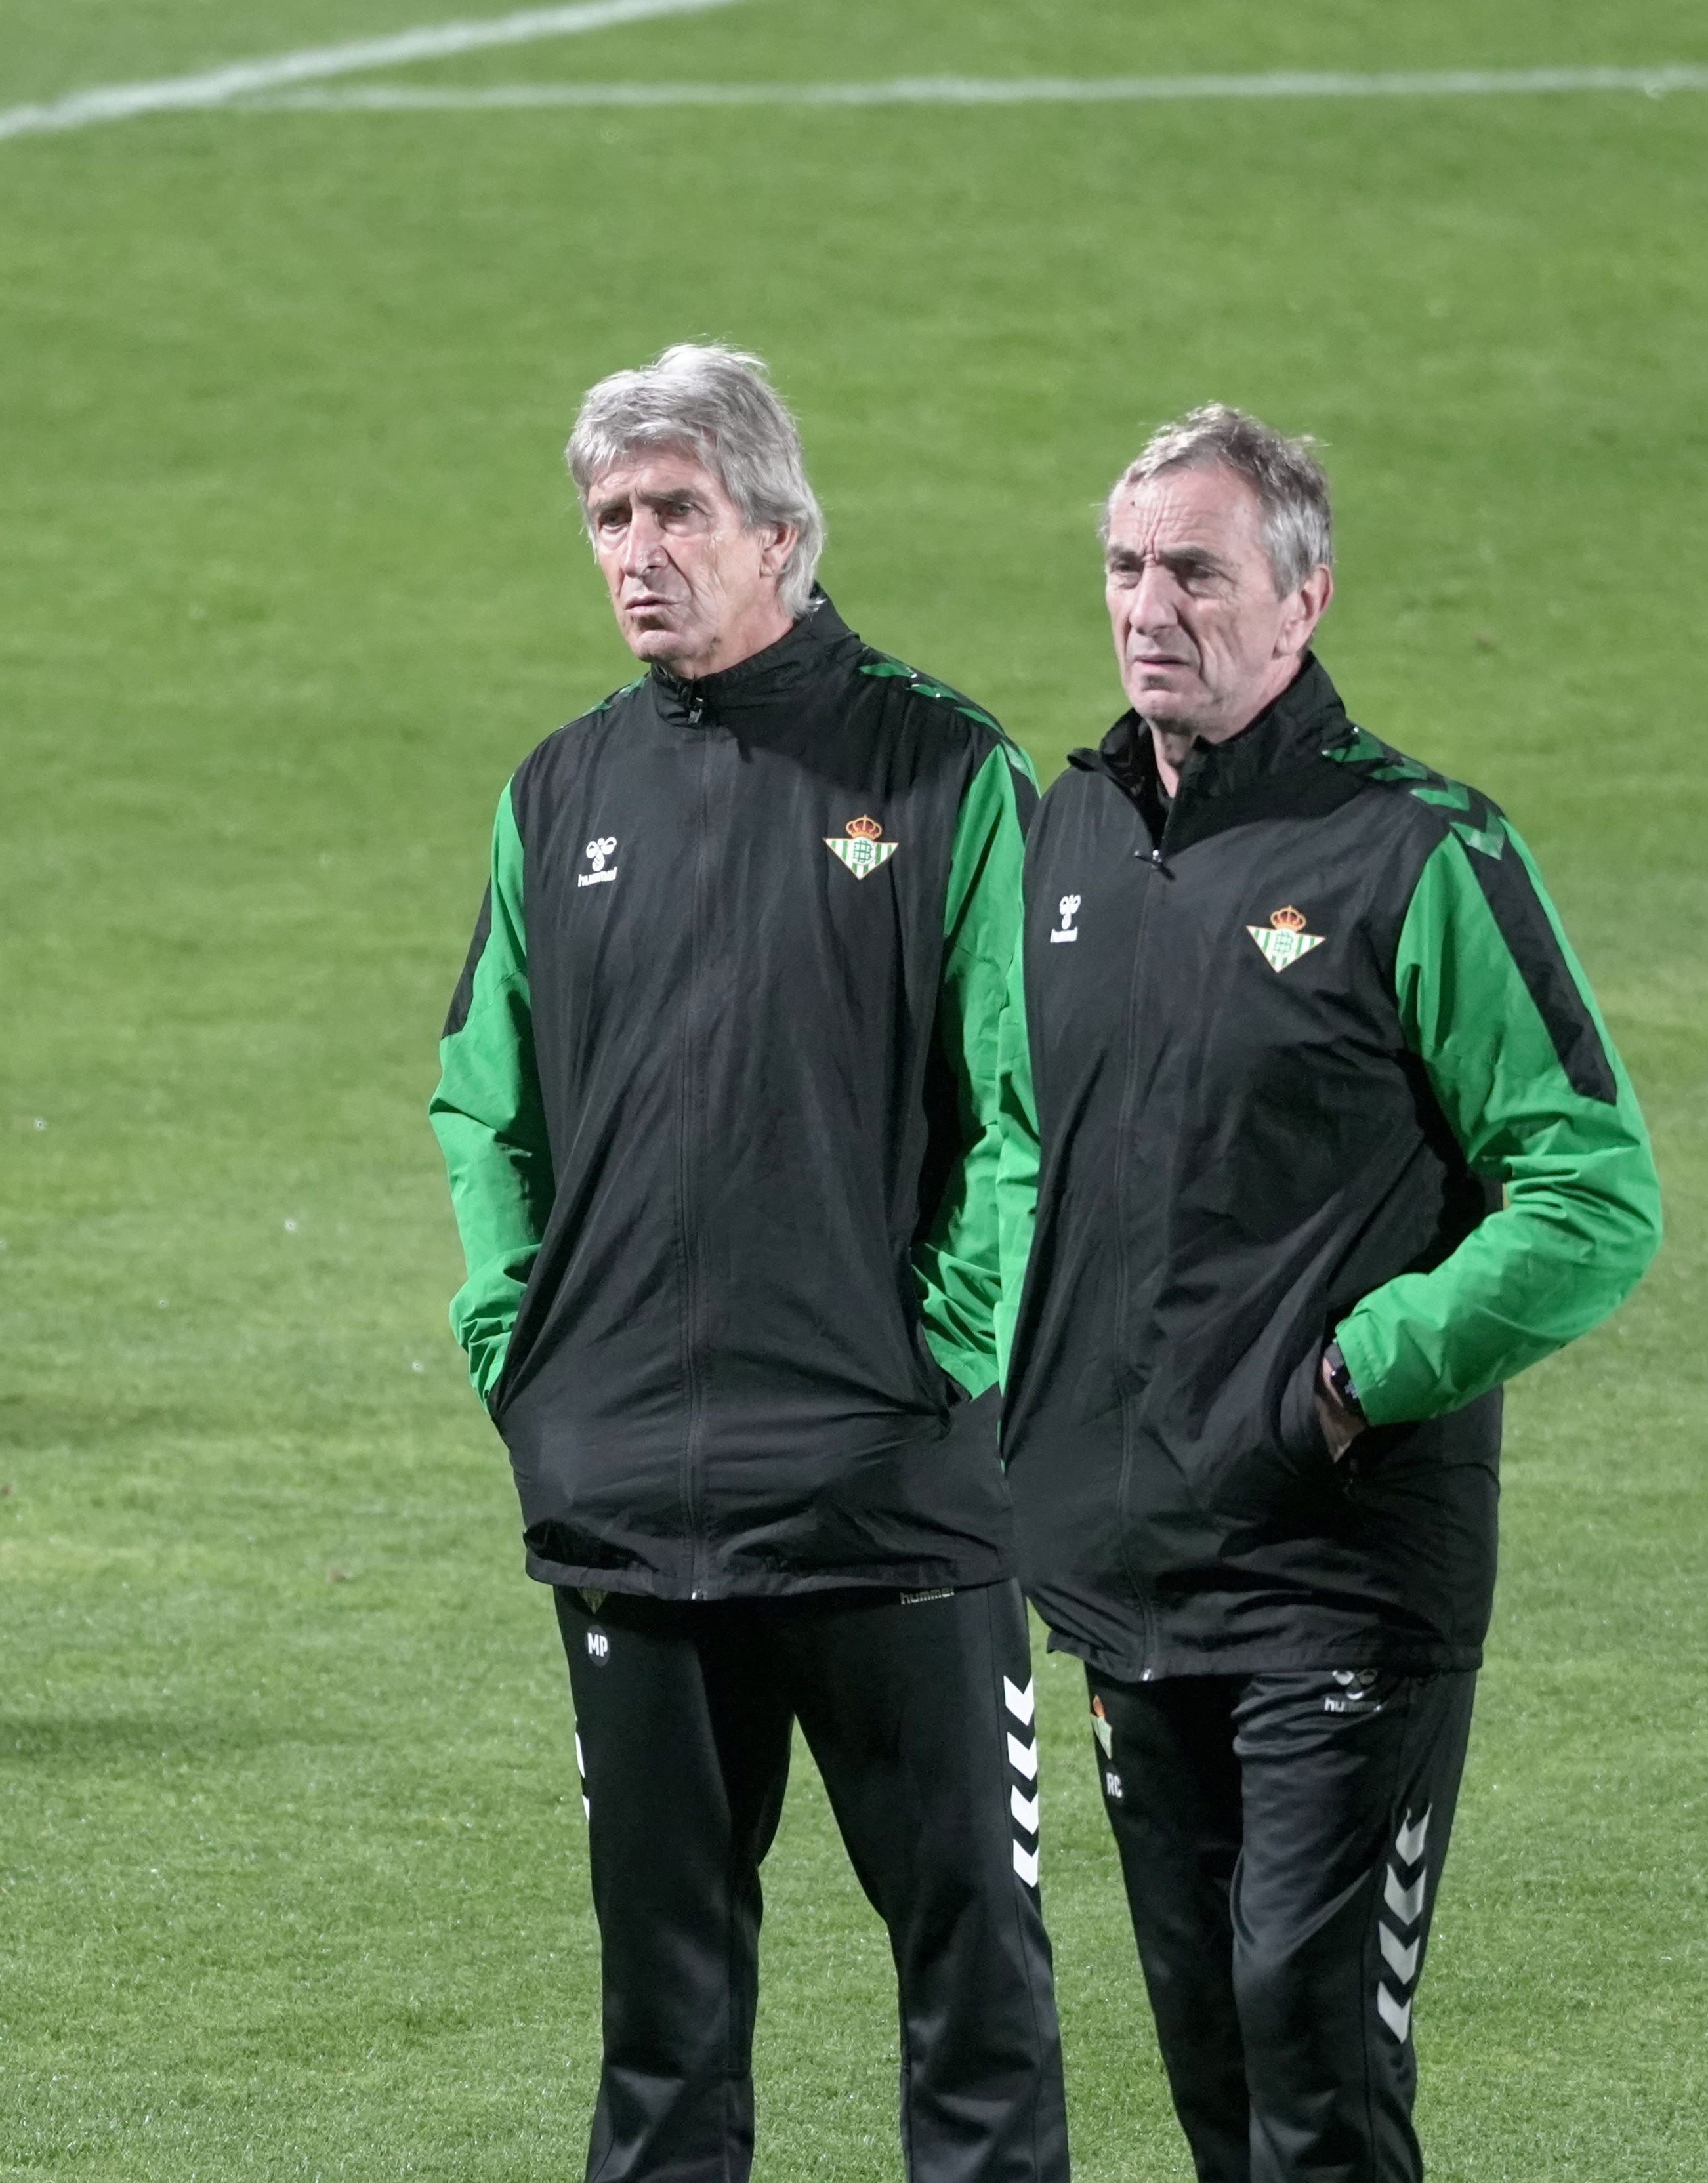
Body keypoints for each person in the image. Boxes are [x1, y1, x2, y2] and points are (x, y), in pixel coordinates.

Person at [430, 344, 1067, 2183]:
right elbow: (486, 1111)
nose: (638, 551)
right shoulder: (559, 794)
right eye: (611, 518)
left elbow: (1028, 1112)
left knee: (975, 1988)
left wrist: (942, 1363)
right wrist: (524, 1358)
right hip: (630, 1496)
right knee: (663, 2021)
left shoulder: (945, 769)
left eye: (676, 513)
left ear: (781, 531)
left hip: (891, 1503)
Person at [1005, 405, 1661, 2182]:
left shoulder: (1417, 853)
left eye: (1196, 571)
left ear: (1300, 603)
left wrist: (1361, 1376)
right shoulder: (1062, 843)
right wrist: (1008, 1386)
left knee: (1314, 2060)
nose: (1151, 606)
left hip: (1339, 1575)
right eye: (1127, 567)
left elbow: (1594, 1192)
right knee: (1218, 2071)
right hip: (1131, 1573)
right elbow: (1012, 1149)